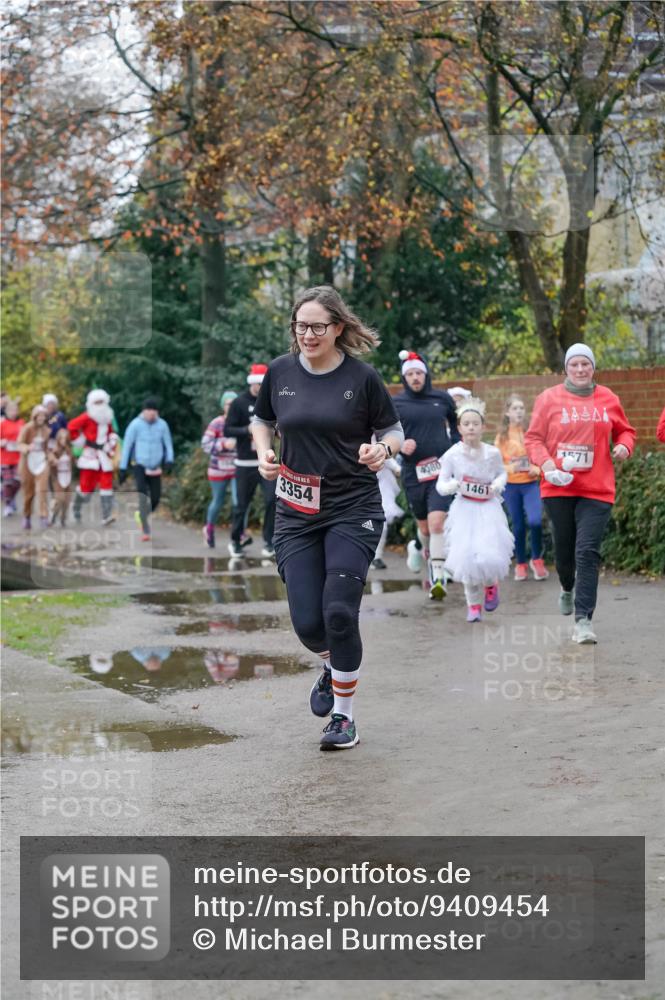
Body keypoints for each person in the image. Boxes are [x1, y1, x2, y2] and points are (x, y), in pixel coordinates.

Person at [252, 285, 403, 750]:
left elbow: (393, 430)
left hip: (352, 507)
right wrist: (263, 452)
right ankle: (331, 666)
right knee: (307, 623)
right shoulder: (280, 372)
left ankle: (344, 718)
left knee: (338, 611)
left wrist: (382, 450)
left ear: (338, 328)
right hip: (295, 512)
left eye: (318, 326)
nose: (308, 334)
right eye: (301, 326)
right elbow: (262, 420)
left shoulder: (362, 377)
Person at [525, 343, 636, 644]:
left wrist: (624, 446)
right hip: (558, 485)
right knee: (564, 550)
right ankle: (566, 586)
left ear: (593, 367)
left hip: (597, 488)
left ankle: (583, 620)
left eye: (585, 364)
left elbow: (626, 430)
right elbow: (533, 439)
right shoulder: (548, 399)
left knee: (587, 551)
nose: (580, 369)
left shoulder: (608, 398)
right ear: (566, 369)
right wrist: (547, 464)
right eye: (574, 364)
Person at [435, 396, 514, 622]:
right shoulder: (452, 454)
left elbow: (501, 473)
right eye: (466, 424)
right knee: (466, 557)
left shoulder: (492, 453)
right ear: (459, 428)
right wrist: (451, 486)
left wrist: (498, 484)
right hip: (464, 509)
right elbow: (441, 484)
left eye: (475, 423)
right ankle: (473, 605)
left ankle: (490, 585)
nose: (471, 427)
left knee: (487, 554)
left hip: (488, 508)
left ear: (482, 427)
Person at [392, 350, 458, 599]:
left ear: (426, 374)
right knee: (426, 528)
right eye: (410, 374)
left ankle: (438, 576)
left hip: (442, 471)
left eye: (418, 373)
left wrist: (456, 448)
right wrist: (401, 444)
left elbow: (457, 426)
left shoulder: (442, 399)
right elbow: (384, 433)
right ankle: (418, 546)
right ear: (404, 377)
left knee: (437, 523)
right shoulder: (397, 403)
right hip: (413, 473)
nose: (415, 377)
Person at [495, 394, 548, 581]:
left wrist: (537, 469)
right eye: (515, 408)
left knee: (535, 521)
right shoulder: (501, 437)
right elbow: (497, 466)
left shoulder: (531, 433)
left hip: (530, 485)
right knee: (518, 526)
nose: (519, 411)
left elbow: (541, 457)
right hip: (511, 487)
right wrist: (512, 468)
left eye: (521, 408)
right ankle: (521, 563)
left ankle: (537, 559)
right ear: (507, 413)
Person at [225, 364, 276, 558]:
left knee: (271, 500)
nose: (259, 388)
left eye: (262, 384)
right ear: (251, 383)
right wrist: (247, 430)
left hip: (267, 462)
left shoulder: (271, 400)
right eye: (257, 384)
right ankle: (236, 541)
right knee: (242, 505)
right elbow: (227, 429)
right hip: (245, 463)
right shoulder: (239, 402)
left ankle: (269, 542)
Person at [118, 398, 174, 541]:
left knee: (155, 498)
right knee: (143, 495)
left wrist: (169, 460)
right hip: (140, 464)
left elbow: (168, 444)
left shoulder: (162, 425)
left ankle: (142, 514)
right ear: (143, 411)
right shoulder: (135, 425)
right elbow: (127, 446)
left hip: (155, 465)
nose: (151, 413)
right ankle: (145, 529)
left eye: (154, 410)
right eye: (148, 410)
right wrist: (123, 468)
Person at [68, 389, 119, 525]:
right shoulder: (87, 417)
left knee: (106, 485)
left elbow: (111, 432)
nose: (100, 405)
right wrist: (80, 440)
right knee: (86, 488)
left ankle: (106, 516)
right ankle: (76, 507)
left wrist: (111, 442)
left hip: (104, 456)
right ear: (91, 403)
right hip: (90, 456)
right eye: (97, 402)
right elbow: (71, 427)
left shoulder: (107, 416)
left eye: (102, 402)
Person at [201, 390, 239, 549]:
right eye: (228, 404)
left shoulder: (242, 422)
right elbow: (205, 444)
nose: (231, 406)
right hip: (218, 469)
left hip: (237, 469)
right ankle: (209, 529)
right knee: (218, 501)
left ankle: (239, 534)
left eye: (234, 403)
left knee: (239, 502)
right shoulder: (217, 423)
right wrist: (223, 444)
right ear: (223, 406)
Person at [17, 404, 51, 530]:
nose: (41, 418)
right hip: (28, 462)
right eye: (39, 415)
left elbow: (46, 448)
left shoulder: (46, 430)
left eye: (44, 416)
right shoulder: (27, 428)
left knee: (42, 490)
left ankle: (43, 516)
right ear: (35, 416)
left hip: (41, 461)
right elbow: (19, 443)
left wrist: (51, 457)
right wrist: (27, 448)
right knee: (29, 493)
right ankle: (27, 515)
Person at [372, 449, 404, 570]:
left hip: (383, 489)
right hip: (359, 488)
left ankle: (377, 557)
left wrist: (398, 469)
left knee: (381, 523)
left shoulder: (380, 444)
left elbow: (386, 456)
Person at [0, 399, 24, 517]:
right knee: (8, 483)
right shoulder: (2, 424)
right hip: (5, 457)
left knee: (17, 482)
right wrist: (2, 442)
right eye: (11, 410)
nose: (13, 412)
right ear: (6, 411)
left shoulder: (21, 423)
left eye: (15, 410)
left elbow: (26, 438)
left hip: (19, 457)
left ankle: (10, 497)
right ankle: (8, 505)